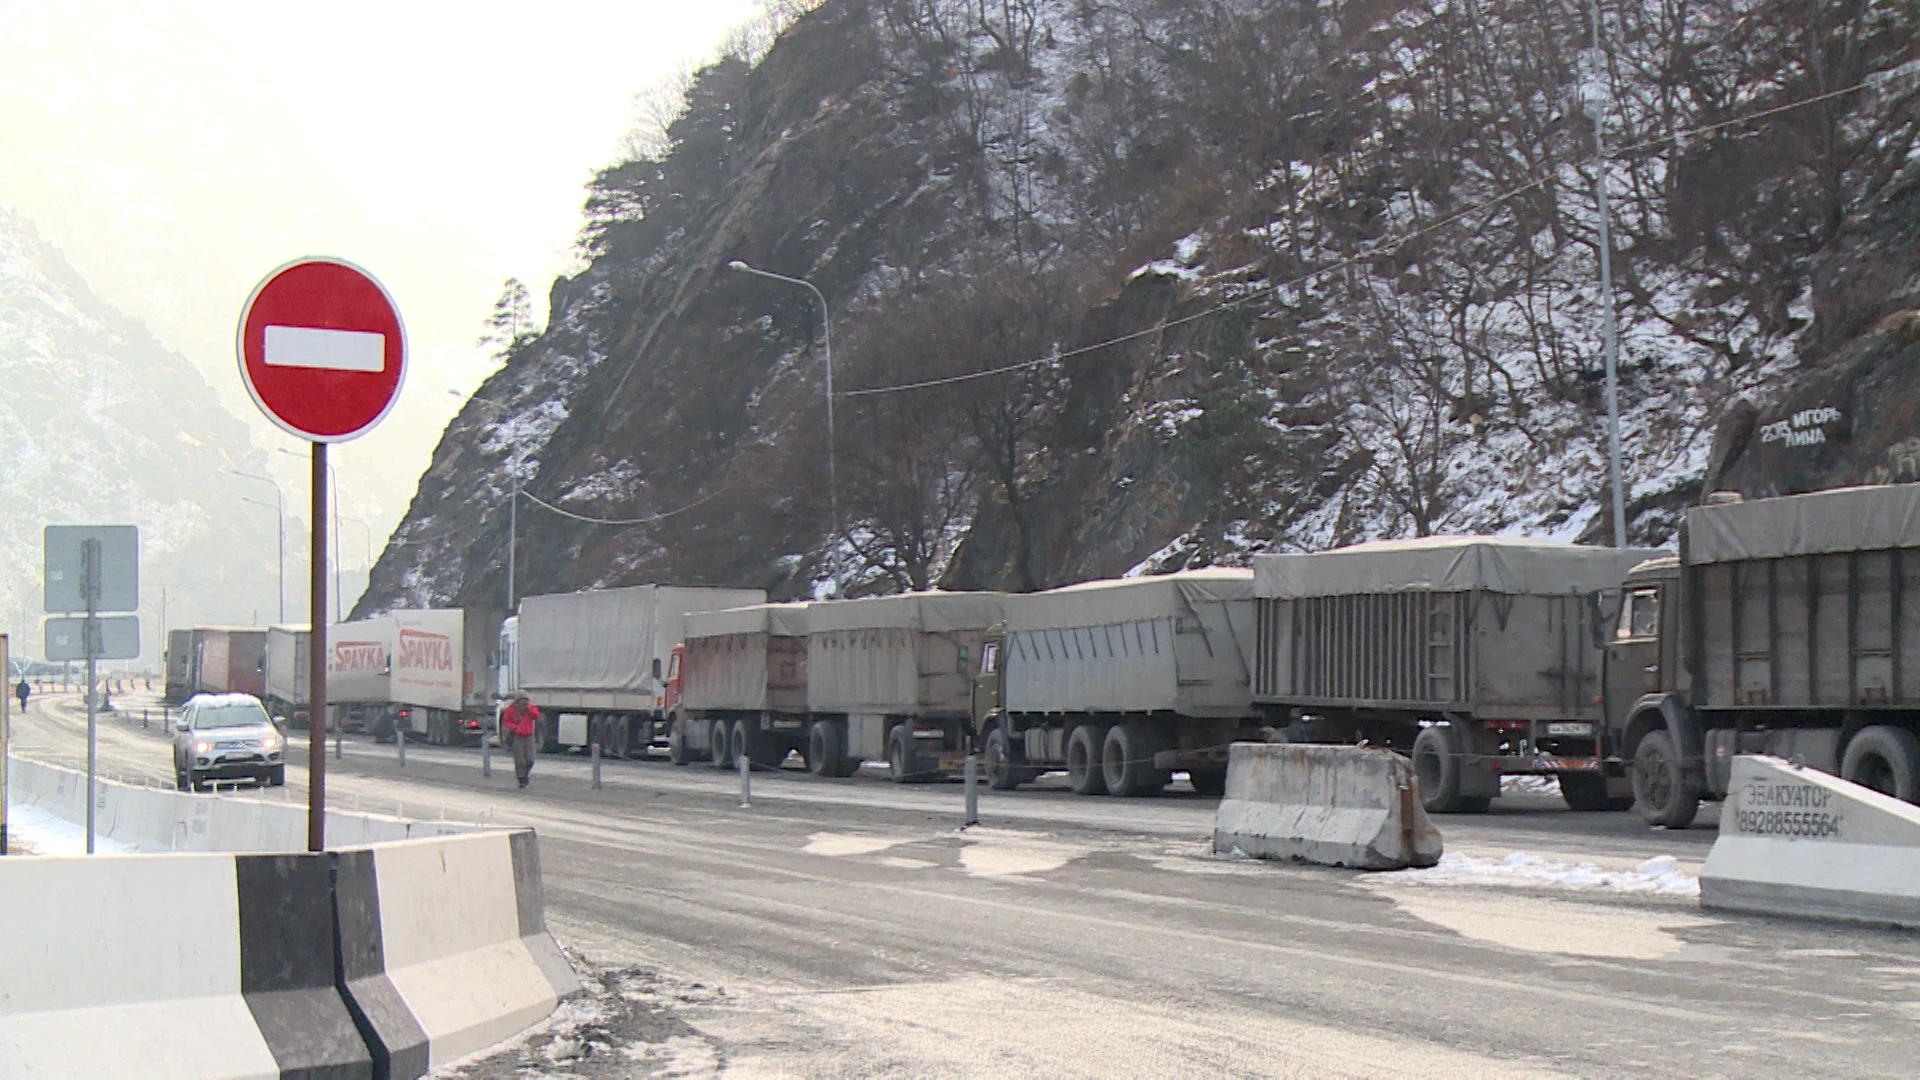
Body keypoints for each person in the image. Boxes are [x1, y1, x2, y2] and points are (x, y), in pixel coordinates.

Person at [499, 693, 541, 789]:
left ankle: (525, 774)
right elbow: (506, 721)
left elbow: (536, 716)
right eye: (522, 699)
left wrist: (529, 710)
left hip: (529, 735)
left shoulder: (530, 707)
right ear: (518, 700)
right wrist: (514, 727)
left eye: (526, 699)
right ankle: (521, 778)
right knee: (520, 760)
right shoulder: (511, 709)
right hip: (518, 736)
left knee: (530, 759)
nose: (525, 701)